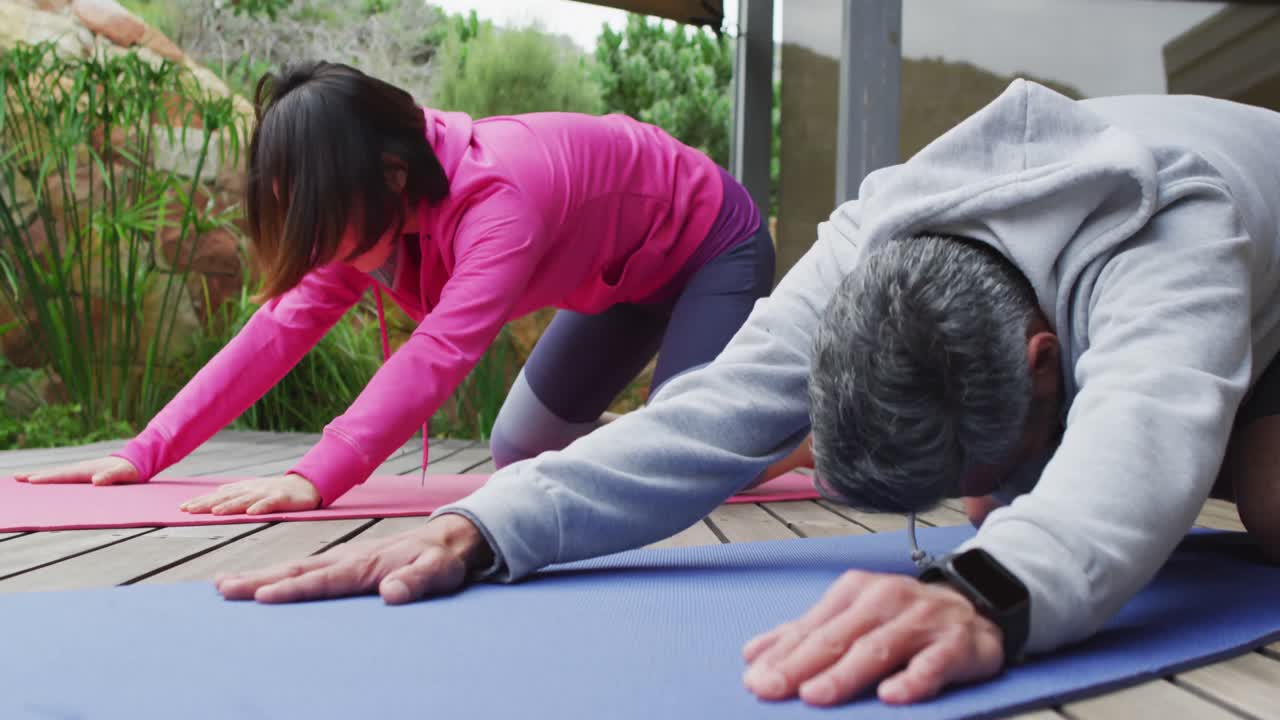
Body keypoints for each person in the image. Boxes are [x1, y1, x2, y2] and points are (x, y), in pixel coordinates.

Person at [65, 78, 1280, 708]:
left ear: (1041, 360)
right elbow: (700, 421)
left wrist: (996, 585)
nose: (968, 510)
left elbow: (1142, 416)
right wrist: (488, 524)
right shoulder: (871, 234)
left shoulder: (1168, 232)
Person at [13, 60, 787, 510]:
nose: (314, 248)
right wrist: (146, 451)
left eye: (320, 220)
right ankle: (665, 416)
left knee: (692, 461)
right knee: (519, 447)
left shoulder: (500, 198)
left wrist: (315, 475)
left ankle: (793, 434)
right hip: (620, 284)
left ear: (389, 173)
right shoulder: (369, 209)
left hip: (710, 245)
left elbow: (440, 352)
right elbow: (273, 332)